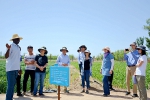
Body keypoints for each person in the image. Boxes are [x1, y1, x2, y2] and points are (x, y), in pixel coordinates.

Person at [5, 34, 23, 100]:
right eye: (16, 39)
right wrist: (8, 49)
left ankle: (10, 98)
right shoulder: (11, 46)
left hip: (16, 69)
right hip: (11, 69)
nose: (18, 40)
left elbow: (17, 59)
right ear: (13, 40)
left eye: (18, 39)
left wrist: (19, 68)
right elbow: (6, 56)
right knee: (10, 86)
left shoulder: (18, 48)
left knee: (12, 86)